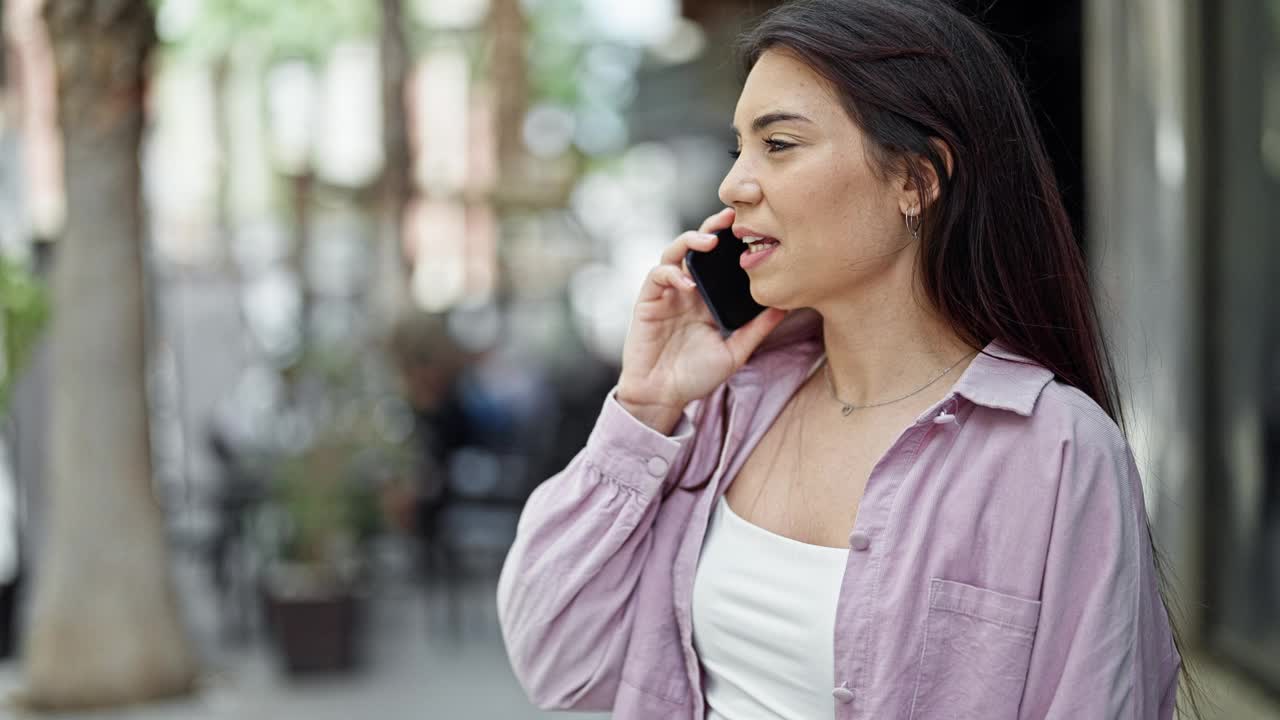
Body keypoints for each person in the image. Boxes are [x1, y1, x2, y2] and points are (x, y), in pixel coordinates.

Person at [497, 1, 1198, 718]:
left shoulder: (1055, 452)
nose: (734, 184)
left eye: (779, 144)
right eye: (739, 146)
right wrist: (646, 406)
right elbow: (557, 664)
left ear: (916, 180)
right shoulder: (726, 410)